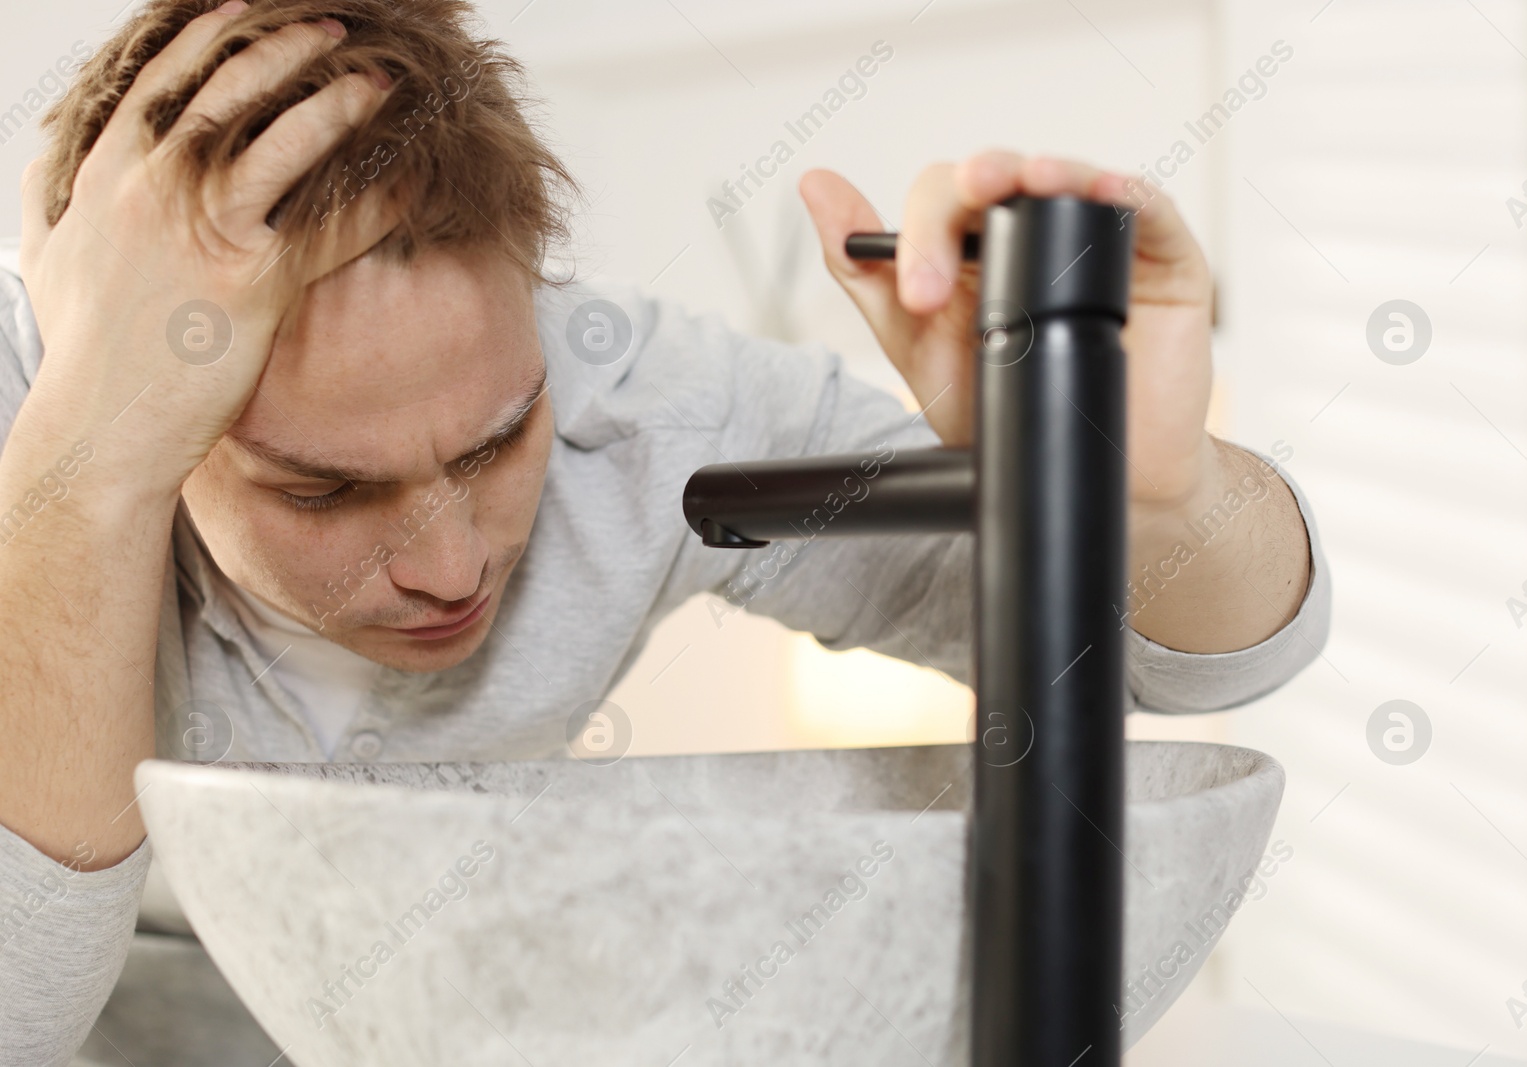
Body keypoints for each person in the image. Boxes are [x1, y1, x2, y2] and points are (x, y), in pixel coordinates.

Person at [0, 0, 1329, 1060]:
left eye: (495, 438)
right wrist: (88, 476)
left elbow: (1204, 654)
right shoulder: (39, 428)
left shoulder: (634, 403)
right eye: (320, 491)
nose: (453, 568)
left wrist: (1147, 479)